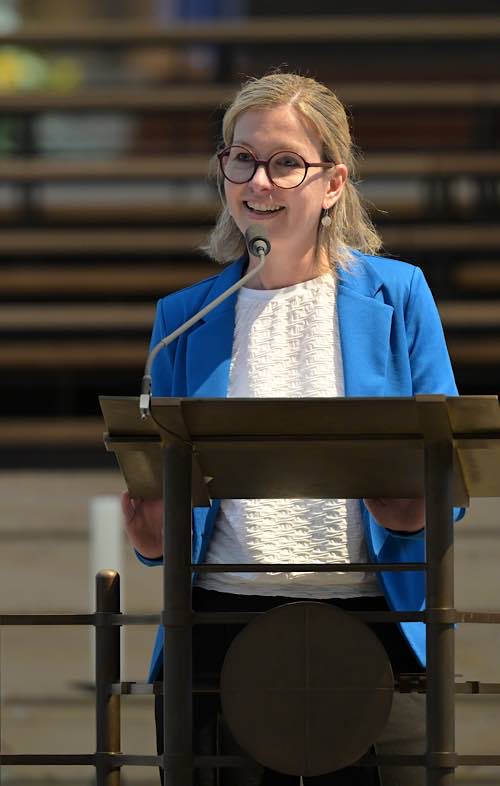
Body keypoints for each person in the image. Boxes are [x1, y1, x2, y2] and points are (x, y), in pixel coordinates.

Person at [121, 72, 462, 786]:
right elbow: (167, 497)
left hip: (373, 624)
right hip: (218, 630)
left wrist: (411, 517)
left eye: (284, 162)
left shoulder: (398, 297)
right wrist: (155, 539)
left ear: (332, 182)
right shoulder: (184, 317)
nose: (257, 181)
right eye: (239, 158)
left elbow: (449, 464)